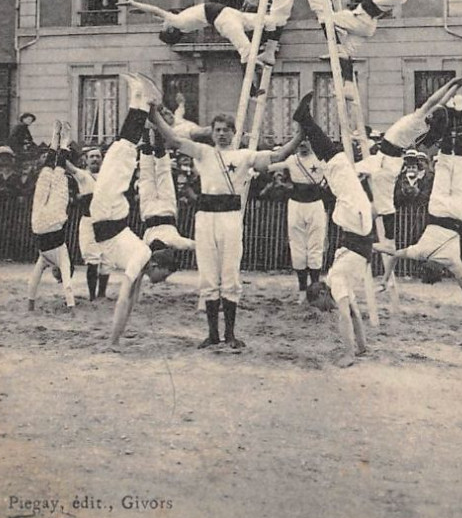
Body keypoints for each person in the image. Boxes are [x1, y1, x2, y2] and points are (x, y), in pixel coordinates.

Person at [150, 106, 303, 349]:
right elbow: (173, 139)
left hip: (230, 217)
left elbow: (276, 157)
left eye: (226, 130)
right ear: (212, 133)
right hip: (205, 218)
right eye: (217, 130)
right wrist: (153, 114)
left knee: (230, 274)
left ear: (233, 133)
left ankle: (230, 334)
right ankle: (212, 335)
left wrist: (300, 135)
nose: (221, 134)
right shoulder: (203, 152)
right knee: (208, 275)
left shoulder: (244, 155)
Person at [89, 73, 177, 349]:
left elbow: (130, 301)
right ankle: (142, 99)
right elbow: (124, 299)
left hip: (109, 215)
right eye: (166, 276)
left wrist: (116, 339)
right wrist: (113, 341)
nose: (163, 282)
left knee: (121, 154)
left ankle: (139, 99)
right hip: (109, 212)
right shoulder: (141, 256)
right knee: (122, 153)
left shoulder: (142, 263)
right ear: (157, 265)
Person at [292, 92, 374, 367]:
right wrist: (362, 346)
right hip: (357, 230)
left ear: (324, 292)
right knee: (339, 169)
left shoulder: (336, 279)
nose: (326, 309)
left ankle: (306, 121)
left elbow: (343, 314)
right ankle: (307, 121)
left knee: (338, 166)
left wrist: (350, 352)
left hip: (357, 229)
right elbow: (353, 314)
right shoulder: (338, 281)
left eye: (322, 305)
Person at [377, 98, 462, 322]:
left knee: (456, 166)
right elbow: (393, 255)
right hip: (438, 210)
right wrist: (382, 272)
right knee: (446, 166)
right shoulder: (420, 252)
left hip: (456, 214)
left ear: (441, 271)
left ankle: (456, 115)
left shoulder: (452, 262)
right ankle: (454, 115)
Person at [355, 74, 462, 253]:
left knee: (385, 204)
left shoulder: (419, 119)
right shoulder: (423, 125)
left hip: (387, 161)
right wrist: (457, 85)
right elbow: (441, 100)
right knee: (350, 174)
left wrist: (453, 82)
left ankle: (389, 241)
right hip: (382, 158)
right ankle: (363, 228)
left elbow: (435, 100)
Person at [121, 0, 275, 66]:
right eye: (164, 27)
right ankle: (253, 88)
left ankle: (266, 53)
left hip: (231, 14)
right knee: (247, 52)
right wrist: (135, 3)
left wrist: (139, 11)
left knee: (270, 22)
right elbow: (156, 10)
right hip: (224, 19)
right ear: (170, 30)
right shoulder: (177, 21)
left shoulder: (182, 25)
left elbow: (156, 15)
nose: (163, 23)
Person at [268, 138, 327, 302]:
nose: (303, 144)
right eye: (300, 141)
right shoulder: (292, 160)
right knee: (298, 247)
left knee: (315, 246)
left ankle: (314, 291)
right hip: (296, 205)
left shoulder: (320, 159)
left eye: (307, 140)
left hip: (315, 205)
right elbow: (271, 166)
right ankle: (302, 291)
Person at [27, 120, 76, 312]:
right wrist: (30, 303)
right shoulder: (46, 259)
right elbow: (34, 280)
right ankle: (57, 139)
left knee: (56, 176)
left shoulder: (59, 256)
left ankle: (61, 141)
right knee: (47, 177)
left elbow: (67, 285)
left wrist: (71, 306)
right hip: (38, 224)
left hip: (54, 222)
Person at [137, 126, 196, 253]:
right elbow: (194, 245)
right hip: (166, 208)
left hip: (149, 209)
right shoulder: (174, 242)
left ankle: (146, 132)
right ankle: (155, 133)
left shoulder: (145, 246)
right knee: (161, 173)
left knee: (148, 175)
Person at [66, 144, 111, 301]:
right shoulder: (83, 176)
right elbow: (69, 167)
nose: (95, 159)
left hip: (105, 221)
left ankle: (102, 294)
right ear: (86, 160)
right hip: (89, 221)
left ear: (102, 159)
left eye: (98, 156)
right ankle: (92, 296)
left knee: (106, 259)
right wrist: (61, 148)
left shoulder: (108, 176)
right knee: (92, 259)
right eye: (92, 156)